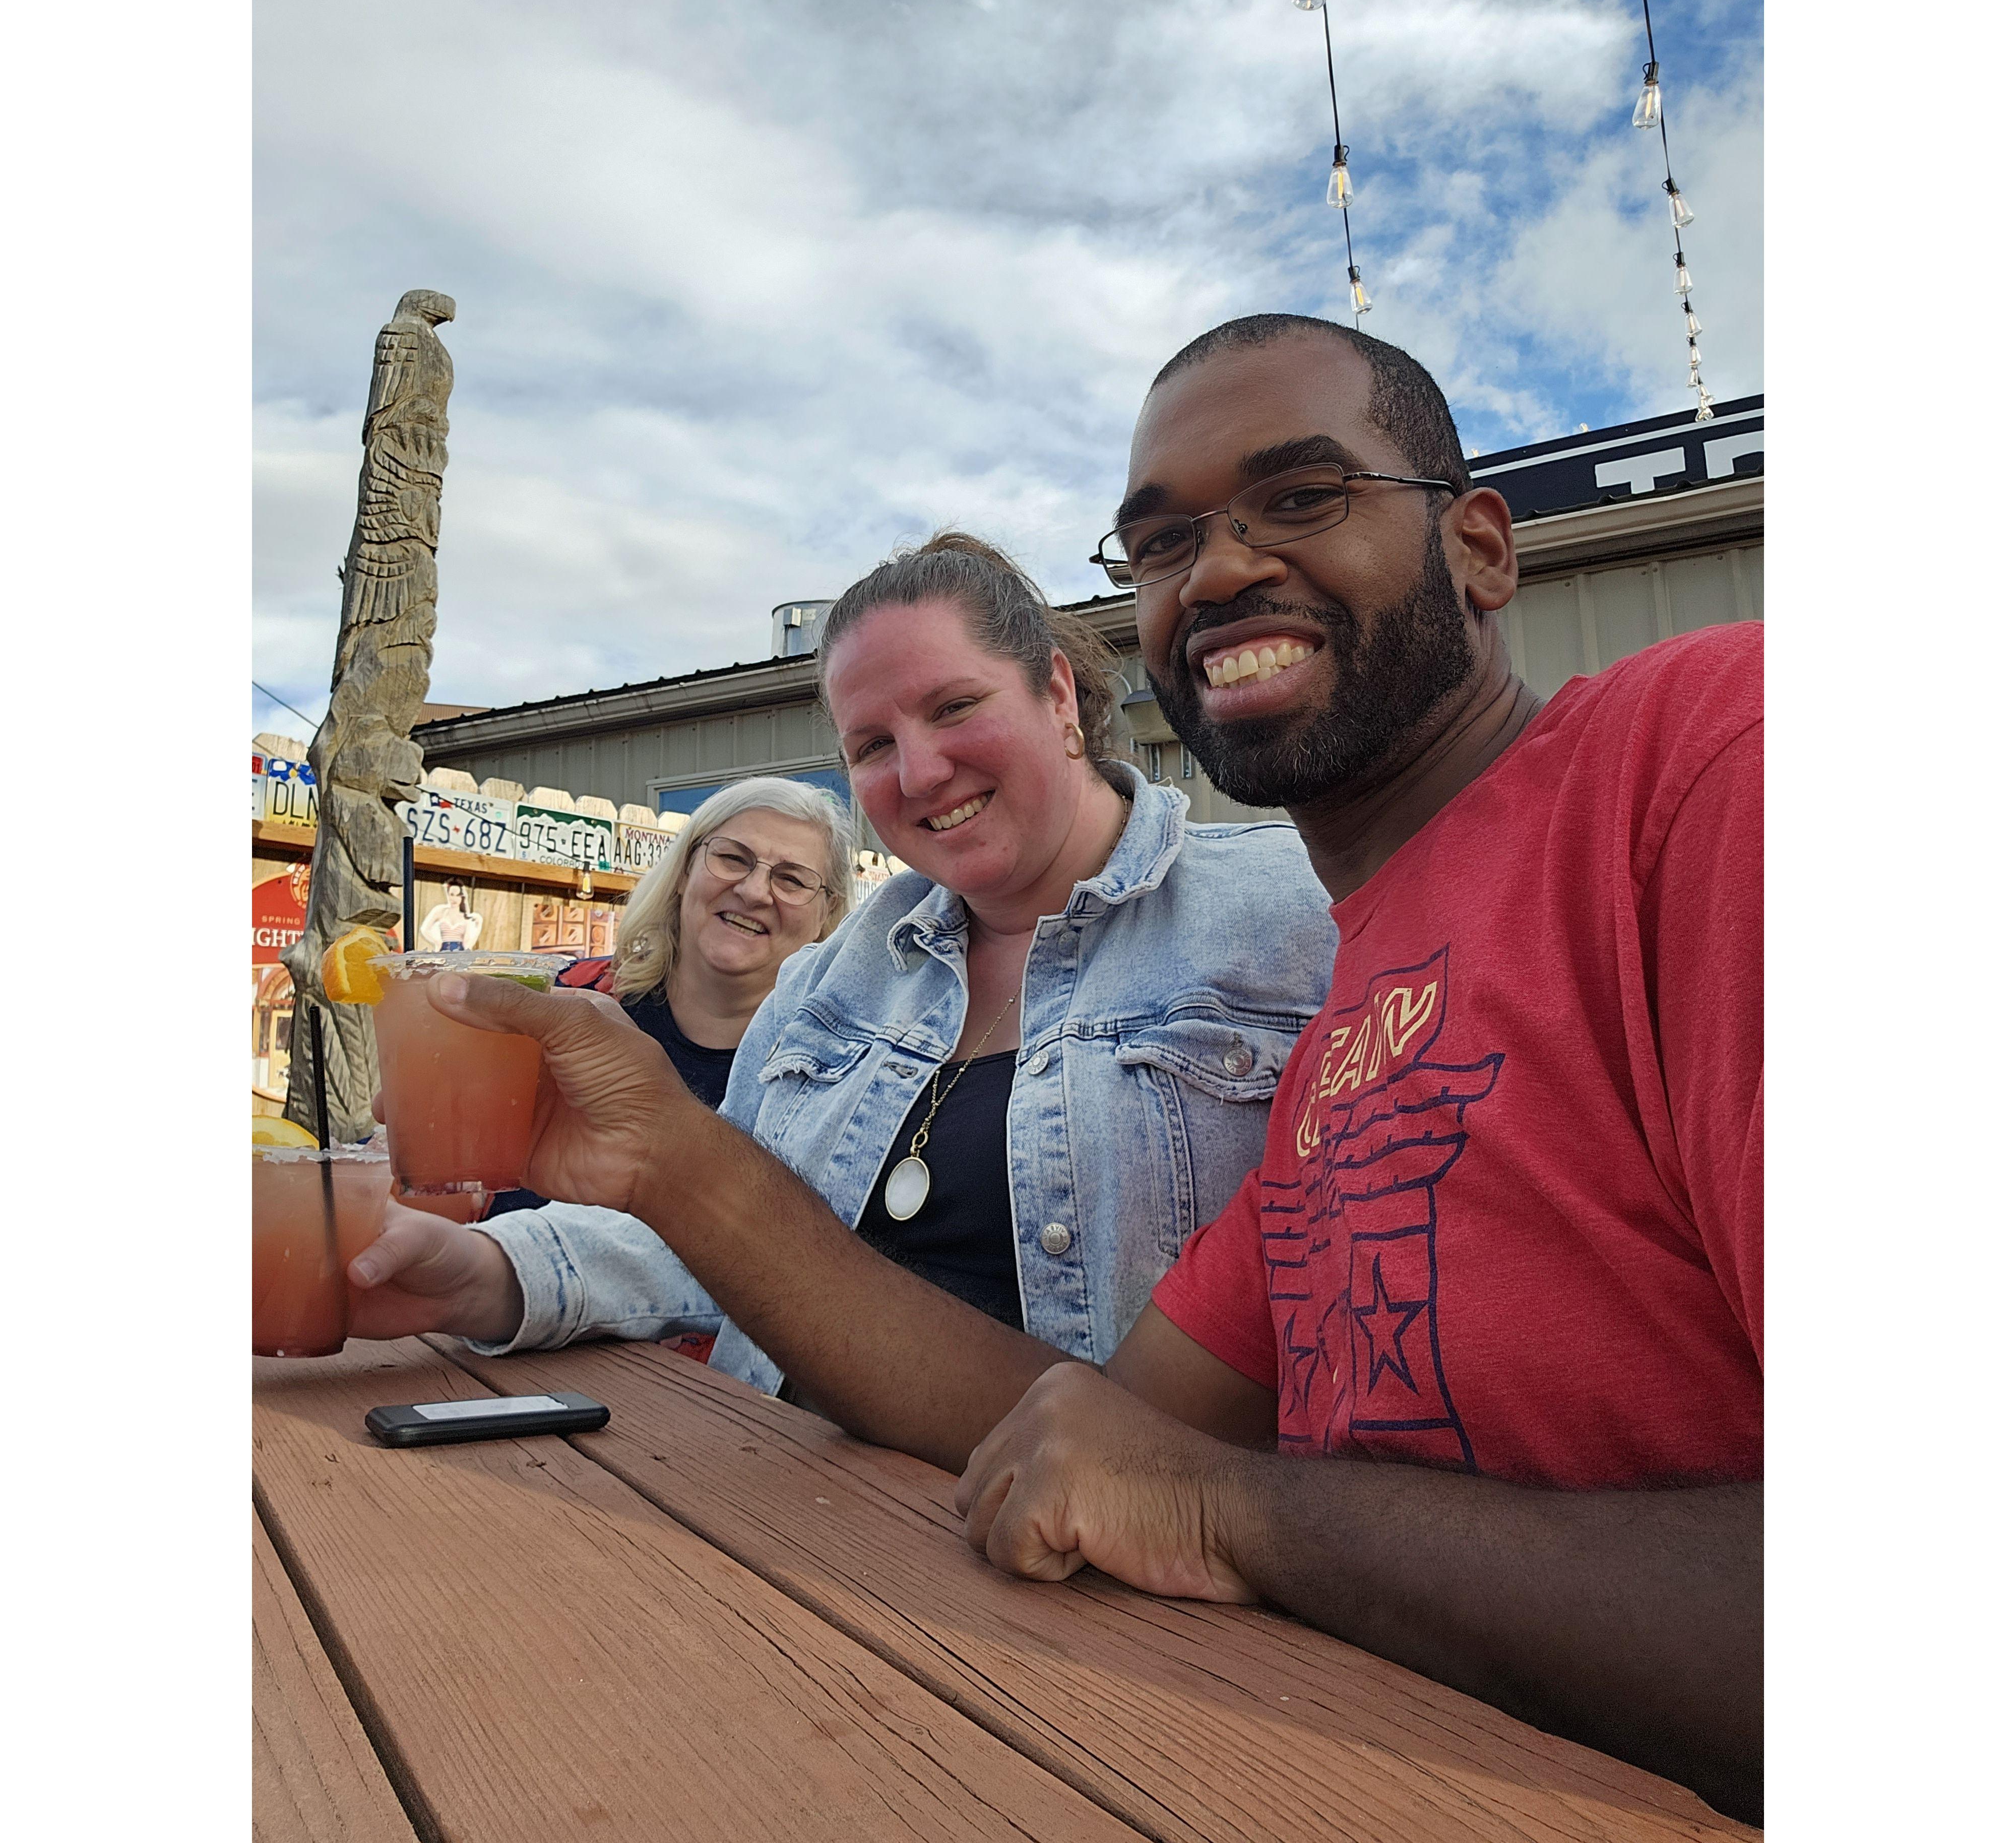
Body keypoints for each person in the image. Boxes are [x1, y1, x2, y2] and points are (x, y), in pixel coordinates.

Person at [352, 320, 1760, 1819]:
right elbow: (1082, 1431)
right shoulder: (1354, 1030)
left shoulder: (1699, 759)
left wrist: (1238, 1512)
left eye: (1299, 497)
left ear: (1478, 547)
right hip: (1066, 1693)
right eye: (1160, 543)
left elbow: (1185, 1482)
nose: (1215, 571)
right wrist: (640, 1178)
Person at [349, 530, 1336, 1373]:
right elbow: (727, 1238)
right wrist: (486, 1272)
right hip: (768, 1490)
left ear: (1056, 694)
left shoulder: (1296, 914)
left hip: (1078, 1520)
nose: (920, 771)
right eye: (871, 746)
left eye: (954, 707)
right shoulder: (832, 979)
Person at [479, 776, 856, 1228]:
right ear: (683, 871)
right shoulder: (569, 1001)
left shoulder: (834, 1080)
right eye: (733, 859)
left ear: (827, 916)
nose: (755, 892)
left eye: (792, 880)